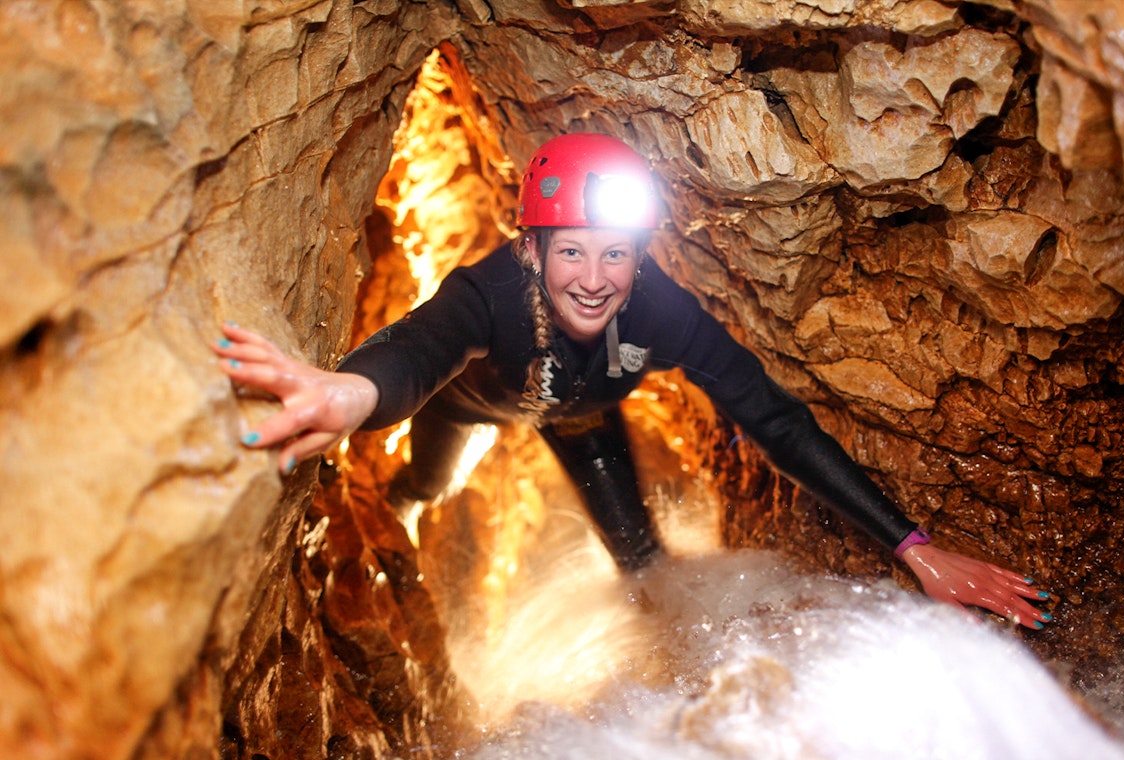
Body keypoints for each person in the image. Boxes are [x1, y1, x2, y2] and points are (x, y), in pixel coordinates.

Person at [212, 133, 1053, 630]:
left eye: (615, 252)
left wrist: (916, 547)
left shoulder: (661, 312)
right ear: (532, 250)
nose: (594, 277)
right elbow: (419, 350)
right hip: (462, 408)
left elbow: (777, 419)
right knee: (425, 482)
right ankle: (403, 514)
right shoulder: (491, 292)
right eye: (570, 251)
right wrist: (352, 394)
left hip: (577, 422)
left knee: (644, 564)